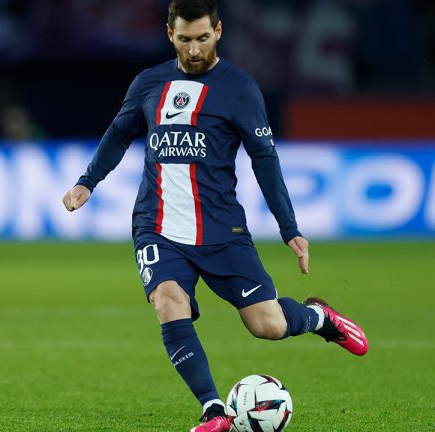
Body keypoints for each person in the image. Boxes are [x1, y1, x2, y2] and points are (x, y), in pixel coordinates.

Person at [62, 1, 369, 431]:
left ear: (219, 31)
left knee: (268, 325)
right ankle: (214, 410)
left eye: (202, 38)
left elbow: (265, 158)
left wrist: (289, 228)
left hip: (221, 230)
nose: (193, 50)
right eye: (184, 39)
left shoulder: (240, 89)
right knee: (169, 302)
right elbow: (119, 133)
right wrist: (86, 182)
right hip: (157, 225)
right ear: (170, 34)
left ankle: (320, 318)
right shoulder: (149, 83)